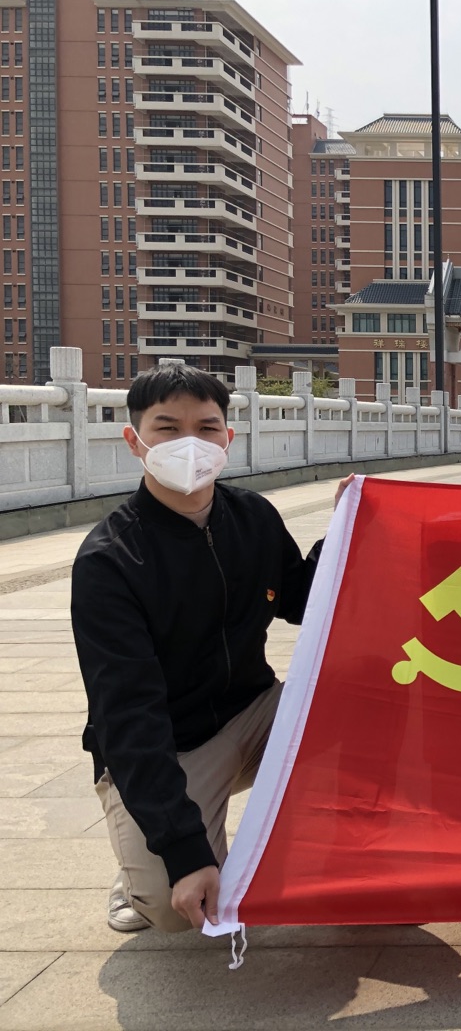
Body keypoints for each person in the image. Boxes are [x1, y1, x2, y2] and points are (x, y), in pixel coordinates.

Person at [71, 363, 352, 933]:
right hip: (173, 744)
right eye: (168, 428)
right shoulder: (110, 561)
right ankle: (141, 866)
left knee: (363, 705)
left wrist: (346, 525)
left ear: (228, 438)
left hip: (254, 712)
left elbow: (302, 600)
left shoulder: (252, 517)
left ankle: (344, 844)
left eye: (206, 427)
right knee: (177, 907)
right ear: (135, 440)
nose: (189, 444)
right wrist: (182, 850)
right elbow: (127, 713)